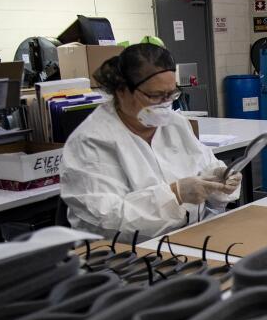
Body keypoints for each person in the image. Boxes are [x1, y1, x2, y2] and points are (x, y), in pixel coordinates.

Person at [61, 44, 241, 241]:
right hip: (123, 256)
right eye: (155, 95)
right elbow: (108, 220)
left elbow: (204, 164)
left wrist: (217, 180)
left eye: (171, 94)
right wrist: (175, 194)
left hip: (187, 239)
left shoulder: (175, 124)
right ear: (122, 91)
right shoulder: (90, 141)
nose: (165, 103)